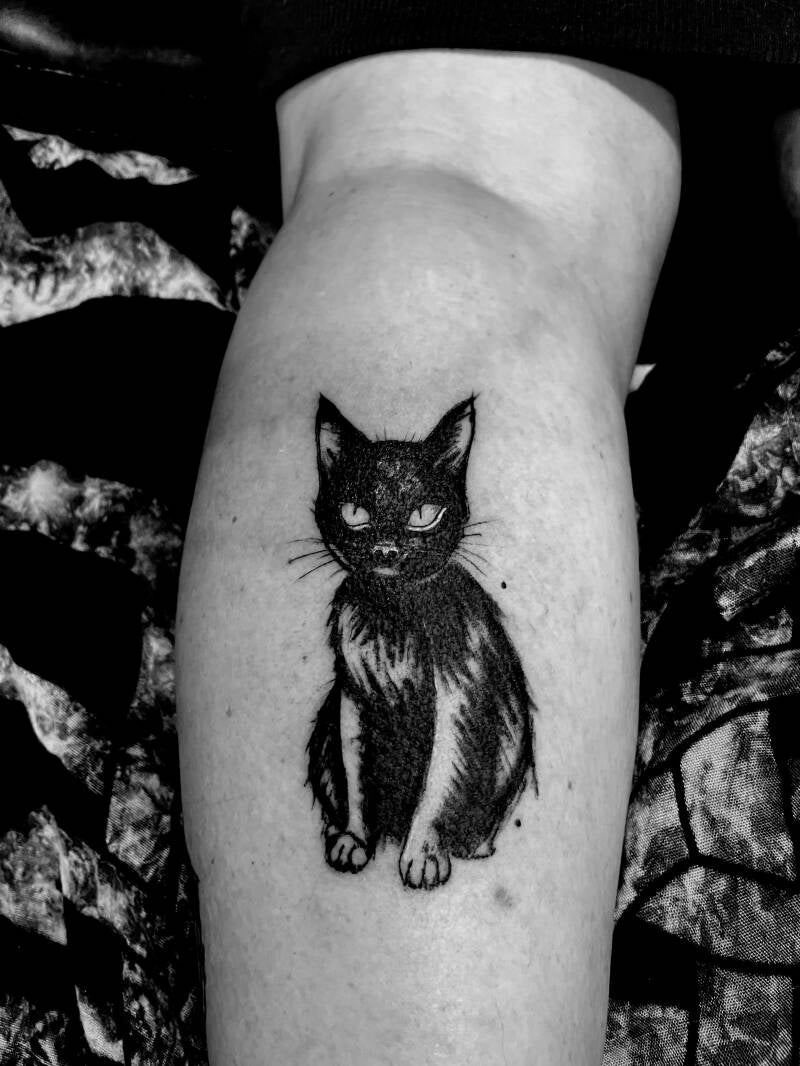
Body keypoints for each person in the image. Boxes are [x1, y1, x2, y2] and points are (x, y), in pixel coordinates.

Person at [175, 8, 800, 1063]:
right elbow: (439, 240)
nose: (386, 547)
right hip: (468, 157)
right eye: (361, 519)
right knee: (433, 216)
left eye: (418, 520)